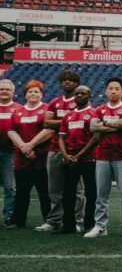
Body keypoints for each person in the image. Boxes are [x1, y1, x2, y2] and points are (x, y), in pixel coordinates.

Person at [85, 77, 122, 238]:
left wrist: (105, 124)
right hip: (103, 156)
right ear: (106, 91)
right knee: (101, 193)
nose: (113, 91)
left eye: (117, 88)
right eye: (110, 88)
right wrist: (116, 125)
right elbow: (93, 127)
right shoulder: (99, 109)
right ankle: (100, 226)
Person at [41, 70, 85, 232]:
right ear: (60, 83)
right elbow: (46, 123)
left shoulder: (81, 100)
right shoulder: (55, 102)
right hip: (55, 149)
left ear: (77, 84)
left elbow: (83, 120)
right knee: (54, 188)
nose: (67, 82)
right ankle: (54, 220)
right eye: (64, 80)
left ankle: (77, 220)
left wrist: (59, 122)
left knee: (77, 190)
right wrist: (69, 119)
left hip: (76, 151)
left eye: (71, 80)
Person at [6, 80, 51, 228]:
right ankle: (18, 221)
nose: (33, 94)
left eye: (36, 91)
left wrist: (31, 145)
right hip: (22, 158)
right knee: (22, 192)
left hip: (41, 157)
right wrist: (23, 147)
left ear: (41, 94)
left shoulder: (46, 109)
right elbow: (11, 131)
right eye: (30, 91)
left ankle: (49, 220)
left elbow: (49, 130)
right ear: (25, 94)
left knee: (44, 191)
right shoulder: (18, 112)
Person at [55, 85, 100, 235]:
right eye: (77, 93)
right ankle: (68, 224)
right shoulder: (68, 116)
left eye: (83, 93)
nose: (79, 95)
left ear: (89, 96)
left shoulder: (94, 113)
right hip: (70, 160)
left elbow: (95, 138)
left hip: (88, 159)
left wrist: (79, 155)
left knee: (91, 192)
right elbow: (61, 137)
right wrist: (66, 155)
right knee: (68, 192)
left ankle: (89, 224)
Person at [0, 79, 21, 228]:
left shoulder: (19, 109)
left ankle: (9, 217)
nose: (4, 91)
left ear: (13, 92)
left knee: (10, 187)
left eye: (7, 89)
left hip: (10, 153)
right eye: (1, 89)